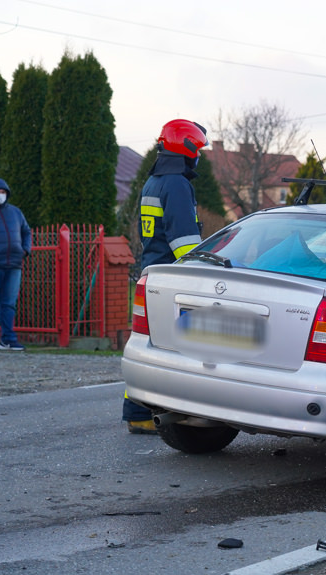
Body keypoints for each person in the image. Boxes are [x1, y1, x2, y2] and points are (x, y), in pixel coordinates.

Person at [123, 119, 209, 433]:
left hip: (152, 271)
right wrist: (205, 271)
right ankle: (151, 413)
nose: (199, 156)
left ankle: (137, 412)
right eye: (198, 149)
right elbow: (184, 241)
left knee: (149, 346)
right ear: (187, 148)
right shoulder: (177, 184)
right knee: (172, 349)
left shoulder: (154, 182)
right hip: (173, 278)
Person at [0, 178, 31, 352]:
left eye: (3, 192)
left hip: (14, 264)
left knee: (9, 304)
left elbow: (26, 231)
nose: (0, 195)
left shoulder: (15, 212)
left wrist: (25, 250)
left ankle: (8, 340)